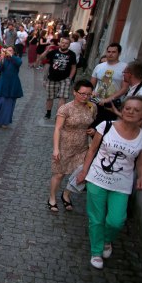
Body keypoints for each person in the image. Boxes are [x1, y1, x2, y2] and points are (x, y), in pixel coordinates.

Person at [76, 96, 142, 269]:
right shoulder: (106, 126)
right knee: (96, 218)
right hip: (97, 177)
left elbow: (141, 162)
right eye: (128, 108)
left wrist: (141, 177)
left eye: (136, 110)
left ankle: (107, 240)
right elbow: (92, 150)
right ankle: (96, 251)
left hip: (121, 184)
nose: (131, 112)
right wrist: (84, 171)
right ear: (123, 109)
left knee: (116, 220)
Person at [47, 79, 97, 212]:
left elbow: (91, 124)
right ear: (74, 92)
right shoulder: (65, 108)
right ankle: (52, 197)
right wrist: (56, 149)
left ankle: (66, 194)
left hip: (82, 146)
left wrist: (93, 131)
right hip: (65, 146)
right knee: (59, 174)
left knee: (79, 173)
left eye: (88, 94)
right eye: (82, 93)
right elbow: (57, 129)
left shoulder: (92, 107)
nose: (85, 97)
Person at [90, 43, 128, 127]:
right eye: (108, 51)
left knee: (107, 127)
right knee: (91, 126)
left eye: (113, 52)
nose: (110, 54)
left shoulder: (124, 67)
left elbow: (124, 88)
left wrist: (109, 99)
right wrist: (92, 92)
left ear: (119, 53)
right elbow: (92, 84)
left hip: (112, 105)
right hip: (96, 101)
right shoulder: (99, 66)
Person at [43, 36, 77, 120]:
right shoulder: (53, 52)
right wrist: (47, 50)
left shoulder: (72, 54)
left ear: (69, 45)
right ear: (60, 43)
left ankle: (59, 115)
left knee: (63, 97)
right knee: (50, 97)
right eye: (63, 43)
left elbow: (74, 67)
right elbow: (43, 60)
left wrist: (70, 78)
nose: (64, 44)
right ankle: (48, 113)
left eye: (66, 43)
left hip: (65, 79)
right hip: (52, 78)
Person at [115, 61, 142, 131]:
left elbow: (137, 119)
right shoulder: (134, 88)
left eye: (124, 72)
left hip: (135, 133)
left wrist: (115, 111)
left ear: (130, 75)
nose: (123, 75)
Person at [0, 46, 23, 128]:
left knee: (8, 104)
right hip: (3, 83)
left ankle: (5, 122)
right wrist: (1, 59)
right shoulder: (4, 59)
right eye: (7, 50)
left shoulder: (16, 59)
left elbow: (19, 63)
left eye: (10, 50)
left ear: (13, 52)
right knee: (0, 102)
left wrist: (10, 55)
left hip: (13, 84)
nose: (8, 52)